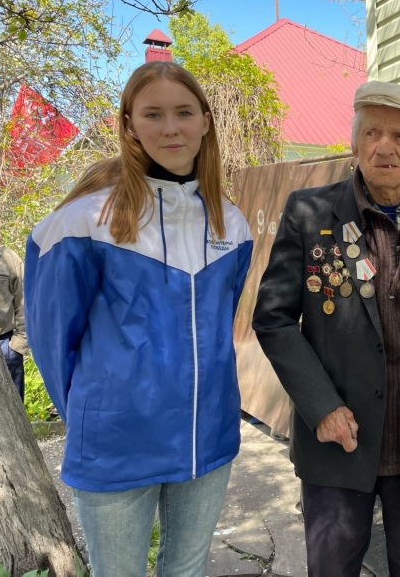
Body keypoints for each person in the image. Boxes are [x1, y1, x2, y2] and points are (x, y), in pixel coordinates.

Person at [252, 80, 400, 577]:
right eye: (373, 133)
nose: (385, 146)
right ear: (355, 143)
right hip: (338, 443)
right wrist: (321, 407)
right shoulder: (309, 211)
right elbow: (273, 317)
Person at [24, 61, 253, 577]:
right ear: (129, 124)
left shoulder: (232, 224)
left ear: (206, 121)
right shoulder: (84, 221)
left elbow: (218, 325)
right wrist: (97, 414)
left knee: (186, 571)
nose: (171, 128)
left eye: (184, 113)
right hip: (116, 444)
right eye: (153, 114)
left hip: (207, 439)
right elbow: (52, 339)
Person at [0, 244, 27, 399]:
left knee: (12, 408)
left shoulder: (7, 258)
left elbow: (26, 301)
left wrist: (18, 345)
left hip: (5, 346)